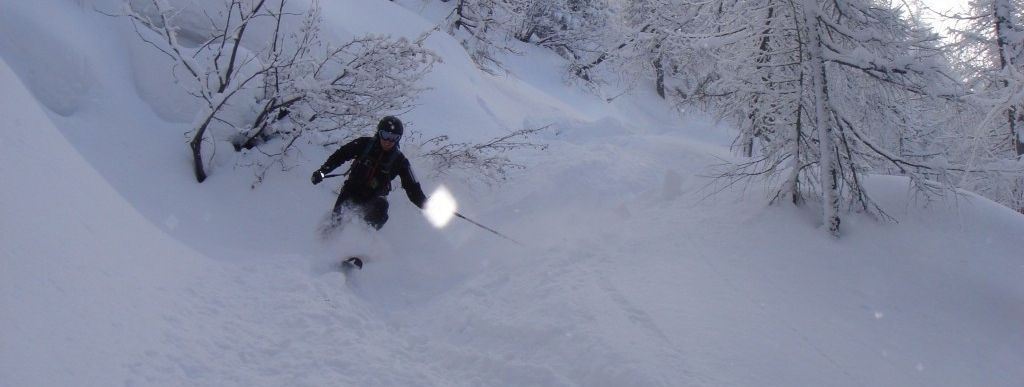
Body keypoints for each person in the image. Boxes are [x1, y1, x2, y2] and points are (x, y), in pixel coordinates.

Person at [311, 116, 427, 230]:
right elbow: (340, 156)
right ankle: (325, 242)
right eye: (385, 135)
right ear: (379, 133)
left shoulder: (400, 161)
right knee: (336, 222)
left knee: (377, 214)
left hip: (375, 198)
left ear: (399, 139)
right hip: (351, 191)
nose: (388, 141)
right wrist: (322, 172)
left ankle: (365, 242)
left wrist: (426, 206)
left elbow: (413, 187)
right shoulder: (363, 144)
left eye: (394, 138)